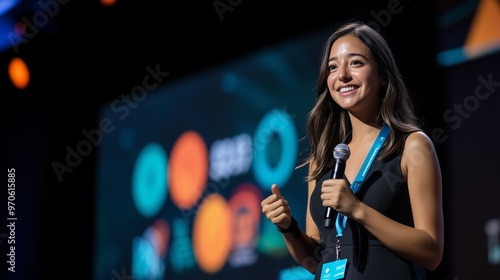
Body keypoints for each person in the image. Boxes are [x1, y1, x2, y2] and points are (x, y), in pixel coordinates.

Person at [260, 21, 444, 280]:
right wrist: (288, 227)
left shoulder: (412, 145)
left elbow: (432, 252)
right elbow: (315, 262)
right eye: (333, 67)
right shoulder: (322, 160)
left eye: (355, 63)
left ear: (382, 75)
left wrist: (358, 210)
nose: (342, 75)